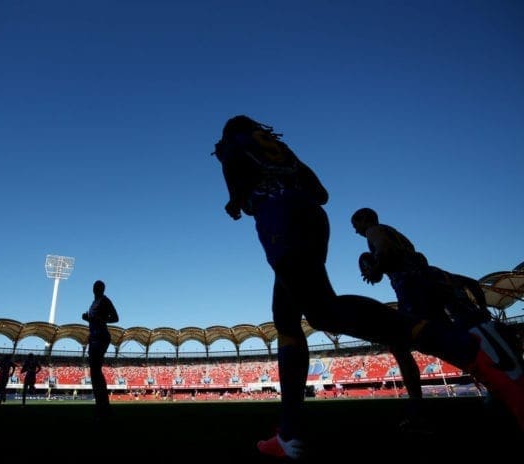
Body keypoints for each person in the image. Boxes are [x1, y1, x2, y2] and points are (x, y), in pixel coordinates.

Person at [211, 114, 524, 459]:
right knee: (285, 319)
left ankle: (466, 347)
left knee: (322, 312)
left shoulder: (231, 145)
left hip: (278, 220)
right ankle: (289, 433)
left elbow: (236, 194)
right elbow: (322, 193)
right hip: (312, 219)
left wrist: (236, 201)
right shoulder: (281, 148)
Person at [351, 207, 524, 428]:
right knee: (442, 341)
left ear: (364, 219)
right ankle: (497, 378)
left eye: (355, 225)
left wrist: (376, 268)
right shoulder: (401, 238)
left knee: (400, 342)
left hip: (412, 289)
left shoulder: (373, 231)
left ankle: (419, 410)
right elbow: (470, 282)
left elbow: (385, 251)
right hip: (429, 283)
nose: (355, 231)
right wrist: (482, 307)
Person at [81, 279, 119, 421]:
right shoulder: (93, 303)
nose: (97, 289)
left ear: (102, 289)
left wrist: (100, 320)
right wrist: (88, 318)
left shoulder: (104, 300)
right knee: (94, 371)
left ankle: (103, 405)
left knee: (95, 370)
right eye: (95, 286)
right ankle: (102, 404)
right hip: (94, 337)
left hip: (101, 336)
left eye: (99, 287)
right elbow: (95, 320)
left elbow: (116, 318)